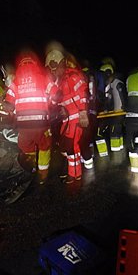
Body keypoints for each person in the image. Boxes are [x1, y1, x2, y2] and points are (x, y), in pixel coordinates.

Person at [3, 50, 57, 185]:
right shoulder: (43, 76)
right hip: (41, 123)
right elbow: (56, 94)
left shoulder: (15, 80)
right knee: (44, 148)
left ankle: (30, 174)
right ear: (35, 62)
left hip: (23, 125)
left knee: (27, 149)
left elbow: (8, 104)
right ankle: (42, 178)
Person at [45, 48, 89, 184]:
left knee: (72, 148)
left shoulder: (73, 77)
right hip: (68, 119)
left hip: (75, 119)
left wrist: (83, 114)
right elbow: (56, 101)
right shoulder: (59, 82)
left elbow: (83, 94)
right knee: (67, 147)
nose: (52, 71)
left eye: (54, 68)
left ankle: (74, 175)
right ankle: (74, 174)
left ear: (61, 64)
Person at [97, 57, 127, 152]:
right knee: (117, 133)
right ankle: (119, 153)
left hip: (118, 113)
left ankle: (116, 157)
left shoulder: (116, 83)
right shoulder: (111, 83)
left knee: (114, 133)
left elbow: (120, 98)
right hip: (115, 113)